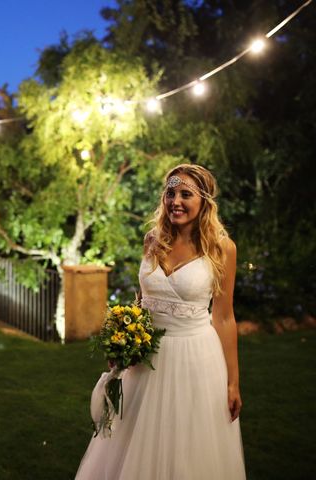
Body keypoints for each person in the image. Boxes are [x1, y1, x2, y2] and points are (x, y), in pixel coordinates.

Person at [76, 164, 246, 479]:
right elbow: (142, 301)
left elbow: (223, 317)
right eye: (170, 193)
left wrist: (233, 382)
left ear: (204, 201)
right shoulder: (153, 239)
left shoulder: (222, 248)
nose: (175, 201)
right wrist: (124, 337)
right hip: (146, 362)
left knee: (187, 446)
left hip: (196, 359)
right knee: (135, 442)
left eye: (186, 194)